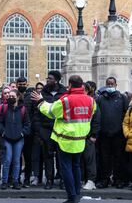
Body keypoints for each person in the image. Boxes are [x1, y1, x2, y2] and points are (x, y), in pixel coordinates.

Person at [32, 75, 96, 203]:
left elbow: (51, 112)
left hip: (65, 139)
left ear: (70, 85)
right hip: (80, 139)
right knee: (76, 166)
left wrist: (40, 101)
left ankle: (72, 196)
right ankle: (77, 194)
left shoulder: (66, 100)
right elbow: (90, 114)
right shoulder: (90, 100)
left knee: (66, 168)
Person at [33, 70, 67, 190]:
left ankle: (63, 179)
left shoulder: (64, 93)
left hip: (60, 129)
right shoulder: (43, 93)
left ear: (57, 80)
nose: (48, 80)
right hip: (46, 129)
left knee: (61, 156)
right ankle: (49, 180)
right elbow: (36, 113)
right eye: (47, 78)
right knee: (47, 156)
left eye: (50, 78)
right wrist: (39, 130)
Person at [96, 77, 128, 188]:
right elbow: (97, 116)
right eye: (108, 84)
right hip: (104, 134)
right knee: (105, 159)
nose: (110, 86)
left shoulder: (122, 98)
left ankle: (118, 179)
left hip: (118, 134)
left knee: (118, 158)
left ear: (116, 84)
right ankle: (105, 179)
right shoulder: (100, 99)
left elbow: (126, 115)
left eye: (112, 84)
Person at [0, 89, 30, 190]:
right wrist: (3, 132)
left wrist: (22, 133)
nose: (10, 97)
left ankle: (16, 181)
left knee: (16, 161)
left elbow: (27, 124)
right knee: (7, 160)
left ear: (18, 97)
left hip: (19, 139)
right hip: (7, 138)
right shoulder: (4, 108)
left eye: (13, 96)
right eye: (9, 96)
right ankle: (5, 181)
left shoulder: (23, 109)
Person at [81, 82, 101, 190]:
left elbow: (97, 120)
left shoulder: (92, 102)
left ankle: (91, 181)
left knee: (89, 159)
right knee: (79, 161)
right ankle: (82, 179)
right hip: (77, 136)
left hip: (88, 137)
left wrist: (93, 135)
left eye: (83, 90)